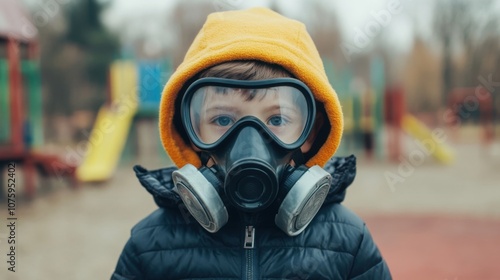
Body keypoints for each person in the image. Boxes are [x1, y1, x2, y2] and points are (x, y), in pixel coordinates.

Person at [111, 7, 391, 280]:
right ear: (191, 130)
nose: (250, 141)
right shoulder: (148, 249)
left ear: (309, 132)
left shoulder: (349, 245)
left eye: (278, 119)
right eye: (222, 119)